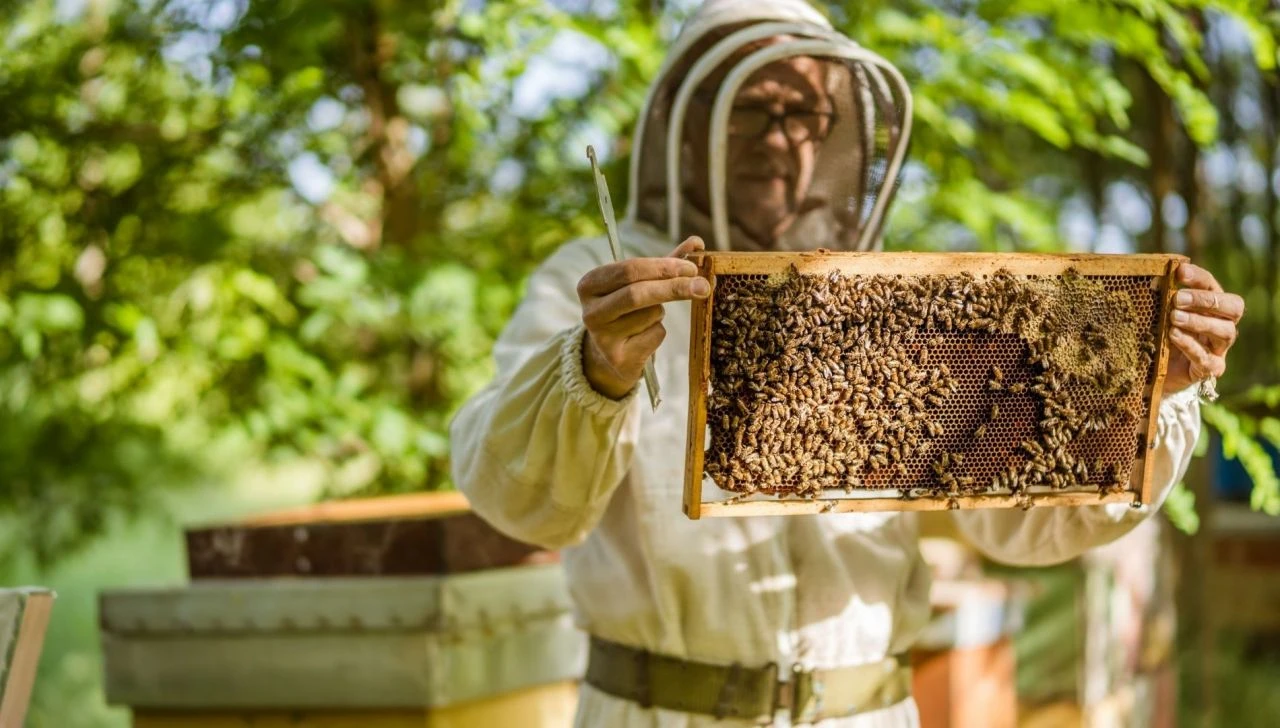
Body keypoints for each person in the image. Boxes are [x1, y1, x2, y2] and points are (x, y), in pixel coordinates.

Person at [450, 1, 1244, 725]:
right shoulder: (598, 275)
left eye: (806, 115)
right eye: (750, 111)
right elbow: (518, 500)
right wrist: (594, 370)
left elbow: (1024, 525)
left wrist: (1140, 397)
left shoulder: (901, 298)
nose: (779, 136)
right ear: (685, 130)